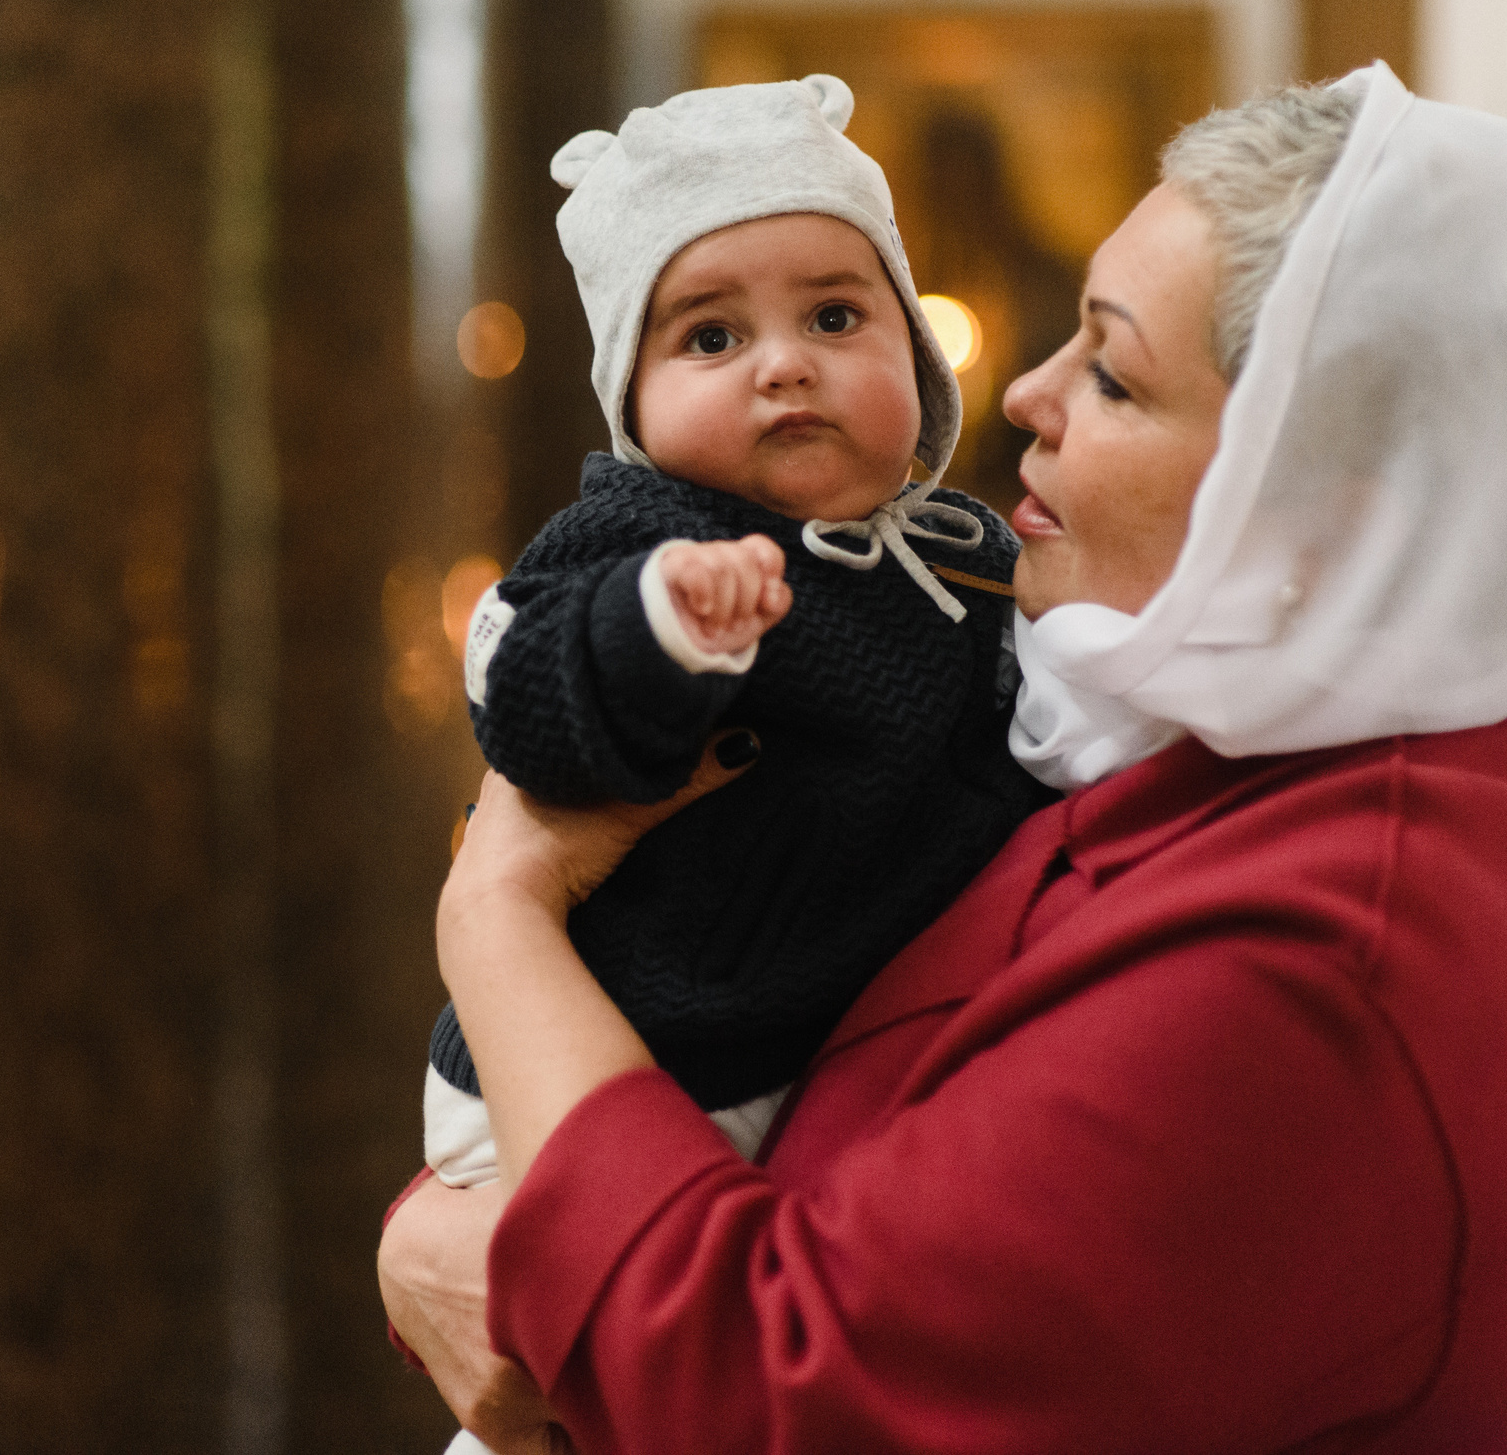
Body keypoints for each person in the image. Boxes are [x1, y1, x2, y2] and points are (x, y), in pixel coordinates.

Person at [380, 61, 1507, 1455]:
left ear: (1311, 498)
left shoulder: (1322, 964)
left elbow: (767, 1388)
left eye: (1112, 370)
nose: (1031, 393)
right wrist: (451, 1226)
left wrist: (496, 917)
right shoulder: (1228, 726)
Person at [422, 74, 1049, 1205]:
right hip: (619, 1049)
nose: (783, 363)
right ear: (633, 397)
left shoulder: (964, 558)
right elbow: (521, 690)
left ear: (912, 349)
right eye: (711, 335)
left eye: (835, 316)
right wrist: (653, 625)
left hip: (809, 1056)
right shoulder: (639, 537)